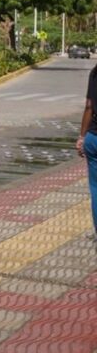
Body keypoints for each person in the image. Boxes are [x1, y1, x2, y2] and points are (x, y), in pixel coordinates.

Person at [75, 63, 97, 240]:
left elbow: (89, 107)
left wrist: (82, 137)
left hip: (93, 138)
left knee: (96, 190)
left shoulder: (95, 73)